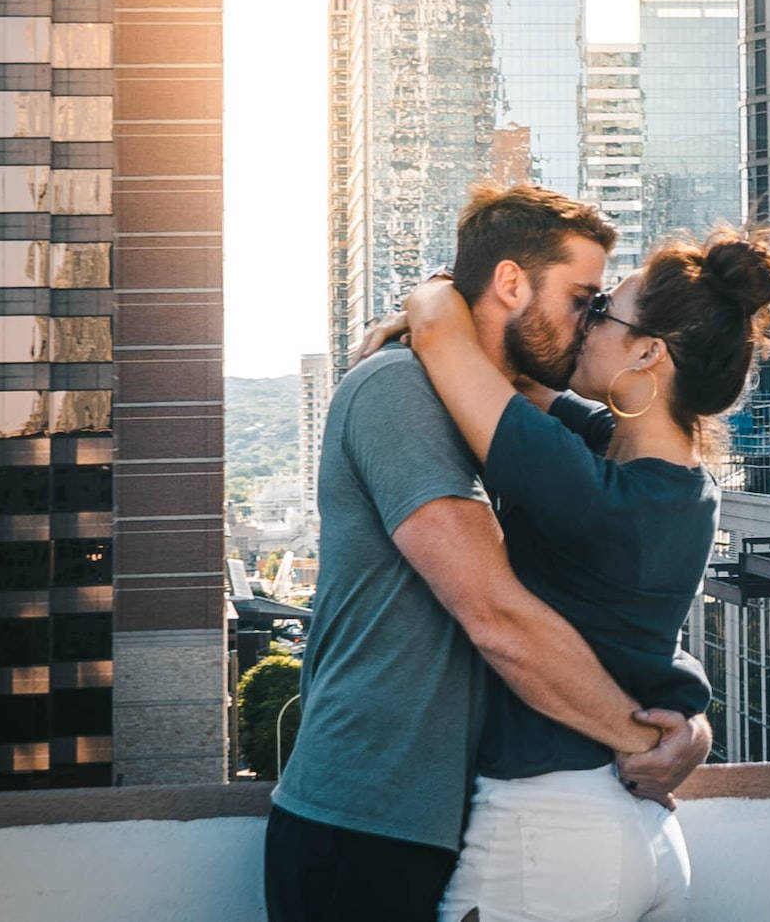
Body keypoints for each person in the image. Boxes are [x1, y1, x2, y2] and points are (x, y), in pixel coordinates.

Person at [265, 185, 712, 922]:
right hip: (368, 814)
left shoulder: (510, 416)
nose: (589, 321)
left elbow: (612, 597)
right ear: (511, 283)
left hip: (455, 816)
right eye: (581, 298)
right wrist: (639, 740)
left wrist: (689, 722)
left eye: (602, 304)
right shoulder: (400, 390)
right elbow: (498, 615)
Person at [403, 226, 770, 922]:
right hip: (634, 830)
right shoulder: (667, 481)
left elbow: (438, 335)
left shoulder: (593, 490)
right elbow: (514, 380)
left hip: (548, 832)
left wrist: (440, 287)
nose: (588, 320)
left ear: (648, 351)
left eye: (604, 307)